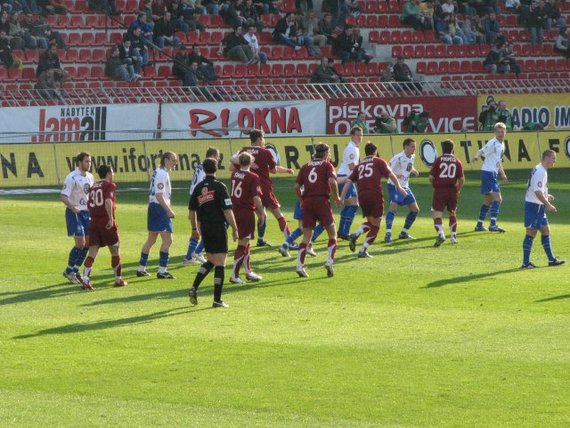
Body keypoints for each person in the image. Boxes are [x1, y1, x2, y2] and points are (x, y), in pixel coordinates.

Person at [188, 158, 239, 308]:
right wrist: (235, 228)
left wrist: (194, 229)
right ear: (216, 168)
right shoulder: (219, 186)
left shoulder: (198, 188)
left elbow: (192, 211)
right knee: (221, 263)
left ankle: (194, 287)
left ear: (204, 169)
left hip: (205, 228)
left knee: (210, 260)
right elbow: (227, 210)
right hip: (217, 227)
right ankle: (217, 299)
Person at [344, 143, 406, 258]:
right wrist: (399, 186)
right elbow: (391, 174)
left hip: (362, 196)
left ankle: (356, 234)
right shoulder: (378, 161)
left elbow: (348, 181)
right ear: (375, 151)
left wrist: (342, 197)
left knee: (372, 222)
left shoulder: (359, 165)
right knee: (376, 226)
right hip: (374, 195)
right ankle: (362, 249)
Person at [239, 129, 294, 247]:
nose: (264, 140)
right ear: (259, 139)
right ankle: (290, 241)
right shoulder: (265, 152)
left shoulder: (244, 151)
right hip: (264, 188)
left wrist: (286, 170)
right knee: (279, 215)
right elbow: (273, 170)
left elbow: (233, 165)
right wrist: (287, 170)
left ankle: (260, 239)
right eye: (263, 137)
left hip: (249, 189)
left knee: (261, 215)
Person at [294, 143, 342, 278]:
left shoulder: (305, 166)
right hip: (321, 201)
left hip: (308, 202)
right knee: (332, 234)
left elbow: (296, 186)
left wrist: (302, 200)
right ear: (326, 154)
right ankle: (329, 262)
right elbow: (332, 181)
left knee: (306, 237)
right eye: (329, 153)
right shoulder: (327, 165)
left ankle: (299, 265)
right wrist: (337, 197)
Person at [80, 165, 127, 290]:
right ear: (108, 173)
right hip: (105, 220)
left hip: (94, 221)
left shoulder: (93, 186)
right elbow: (107, 201)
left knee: (92, 252)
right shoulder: (109, 185)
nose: (113, 174)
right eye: (112, 172)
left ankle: (85, 280)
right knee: (115, 251)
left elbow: (89, 204)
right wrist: (110, 218)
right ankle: (118, 279)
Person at [136, 152, 178, 279]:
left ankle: (141, 268)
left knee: (151, 239)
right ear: (166, 160)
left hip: (153, 207)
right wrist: (168, 210)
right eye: (173, 160)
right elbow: (159, 195)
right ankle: (162, 270)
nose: (175, 162)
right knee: (168, 240)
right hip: (159, 208)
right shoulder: (161, 173)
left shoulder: (158, 171)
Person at [521, 150, 565, 269]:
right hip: (534, 206)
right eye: (553, 158)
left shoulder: (538, 168)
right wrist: (548, 204)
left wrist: (546, 195)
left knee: (546, 231)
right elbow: (536, 191)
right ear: (547, 158)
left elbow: (533, 186)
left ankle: (551, 260)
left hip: (537, 205)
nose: (554, 161)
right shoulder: (541, 171)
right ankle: (525, 263)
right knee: (531, 232)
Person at [229, 151, 265, 284]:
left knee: (247, 243)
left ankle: (248, 271)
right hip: (245, 212)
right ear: (250, 162)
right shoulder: (253, 177)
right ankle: (234, 275)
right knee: (243, 243)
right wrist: (261, 213)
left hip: (235, 210)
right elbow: (256, 198)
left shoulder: (234, 174)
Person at [61, 152, 94, 286]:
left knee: (88, 244)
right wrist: (72, 207)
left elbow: (90, 195)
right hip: (74, 213)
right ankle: (70, 271)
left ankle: (74, 270)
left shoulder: (91, 177)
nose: (89, 164)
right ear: (79, 163)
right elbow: (63, 196)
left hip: (87, 213)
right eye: (87, 161)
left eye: (90, 161)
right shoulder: (71, 177)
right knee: (80, 243)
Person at [184, 148, 220, 265]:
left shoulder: (200, 166)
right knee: (207, 227)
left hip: (194, 197)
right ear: (213, 155)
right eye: (218, 156)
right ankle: (197, 253)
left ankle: (189, 256)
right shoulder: (206, 169)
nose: (219, 158)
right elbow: (201, 186)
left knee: (198, 228)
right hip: (199, 200)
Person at [473, 122, 508, 233]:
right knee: (498, 199)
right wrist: (476, 157)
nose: (501, 133)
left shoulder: (502, 144)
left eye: (502, 131)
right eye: (498, 131)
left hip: (492, 173)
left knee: (488, 200)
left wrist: (502, 174)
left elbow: (498, 161)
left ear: (505, 132)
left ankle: (479, 224)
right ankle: (493, 225)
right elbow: (481, 151)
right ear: (495, 132)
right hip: (488, 173)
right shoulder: (492, 143)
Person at [429, 139, 465, 247]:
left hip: (440, 189)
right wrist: (458, 189)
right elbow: (462, 179)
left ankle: (441, 233)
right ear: (452, 149)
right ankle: (453, 237)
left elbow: (431, 177)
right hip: (452, 190)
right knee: (452, 213)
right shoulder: (457, 161)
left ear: (442, 148)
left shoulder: (438, 160)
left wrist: (434, 186)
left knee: (436, 214)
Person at [384, 138, 420, 243]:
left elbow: (408, 166)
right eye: (412, 146)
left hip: (405, 186)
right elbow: (388, 169)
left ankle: (403, 233)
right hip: (394, 186)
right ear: (406, 147)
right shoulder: (398, 158)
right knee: (393, 208)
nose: (414, 149)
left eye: (415, 146)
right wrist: (395, 175)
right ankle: (388, 234)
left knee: (415, 210)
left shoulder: (412, 156)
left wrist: (414, 171)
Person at [337, 126, 362, 240]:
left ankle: (341, 231)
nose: (360, 137)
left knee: (349, 205)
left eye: (361, 135)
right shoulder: (351, 148)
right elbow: (352, 167)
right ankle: (344, 231)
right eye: (357, 135)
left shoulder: (354, 147)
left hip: (346, 177)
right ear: (352, 135)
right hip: (345, 178)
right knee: (354, 205)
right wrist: (363, 167)